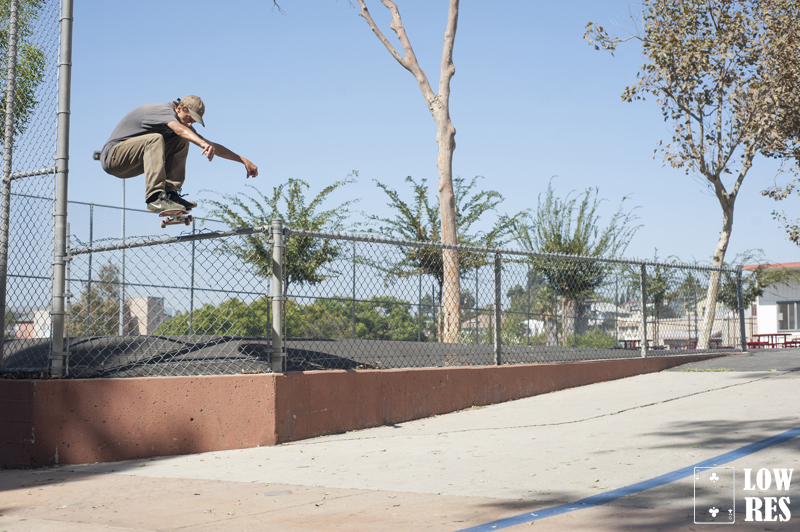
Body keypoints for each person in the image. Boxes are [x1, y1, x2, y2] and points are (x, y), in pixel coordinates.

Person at [100, 95, 258, 212]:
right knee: (157, 139)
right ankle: (155, 198)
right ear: (179, 108)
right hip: (113, 157)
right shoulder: (163, 111)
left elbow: (213, 146)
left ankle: (170, 194)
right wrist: (201, 143)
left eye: (193, 122)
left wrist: (243, 160)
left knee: (182, 140)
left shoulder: (183, 123)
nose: (189, 124)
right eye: (188, 118)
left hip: (133, 163)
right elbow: (178, 128)